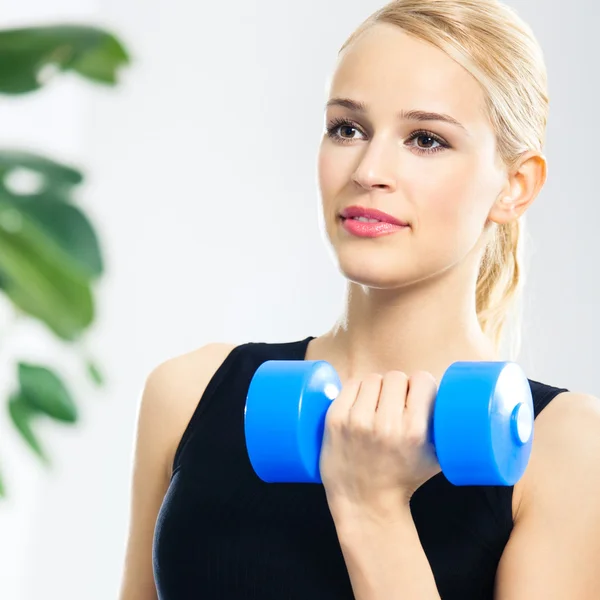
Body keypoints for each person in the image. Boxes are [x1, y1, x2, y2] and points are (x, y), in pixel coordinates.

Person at [118, 1, 600, 598]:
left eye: (426, 139)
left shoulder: (566, 448)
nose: (369, 169)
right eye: (347, 128)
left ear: (515, 185)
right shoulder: (188, 393)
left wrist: (371, 507)